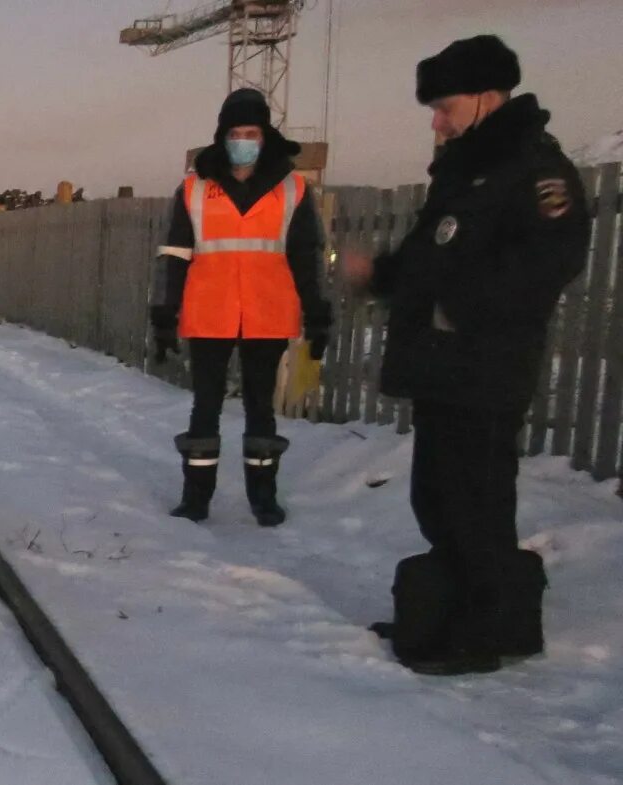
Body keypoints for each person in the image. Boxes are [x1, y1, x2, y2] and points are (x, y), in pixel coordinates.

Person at [343, 36, 590, 675]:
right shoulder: (466, 169)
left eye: (445, 106)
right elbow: (434, 257)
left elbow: (546, 265)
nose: (436, 119)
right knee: (438, 496)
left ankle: (478, 636)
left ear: (485, 98)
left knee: (476, 502)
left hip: (486, 366)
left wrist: (461, 311)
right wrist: (383, 275)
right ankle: (448, 615)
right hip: (445, 365)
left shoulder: (537, 171)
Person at [149, 88, 332, 526]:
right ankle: (196, 500)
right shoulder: (195, 188)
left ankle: (263, 499)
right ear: (222, 135)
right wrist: (164, 312)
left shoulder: (292, 189)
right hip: (208, 313)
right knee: (205, 407)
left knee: (260, 409)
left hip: (268, 314)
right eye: (236, 132)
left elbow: (306, 256)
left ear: (265, 135)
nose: (243, 140)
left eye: (251, 132)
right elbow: (174, 254)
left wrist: (317, 311)